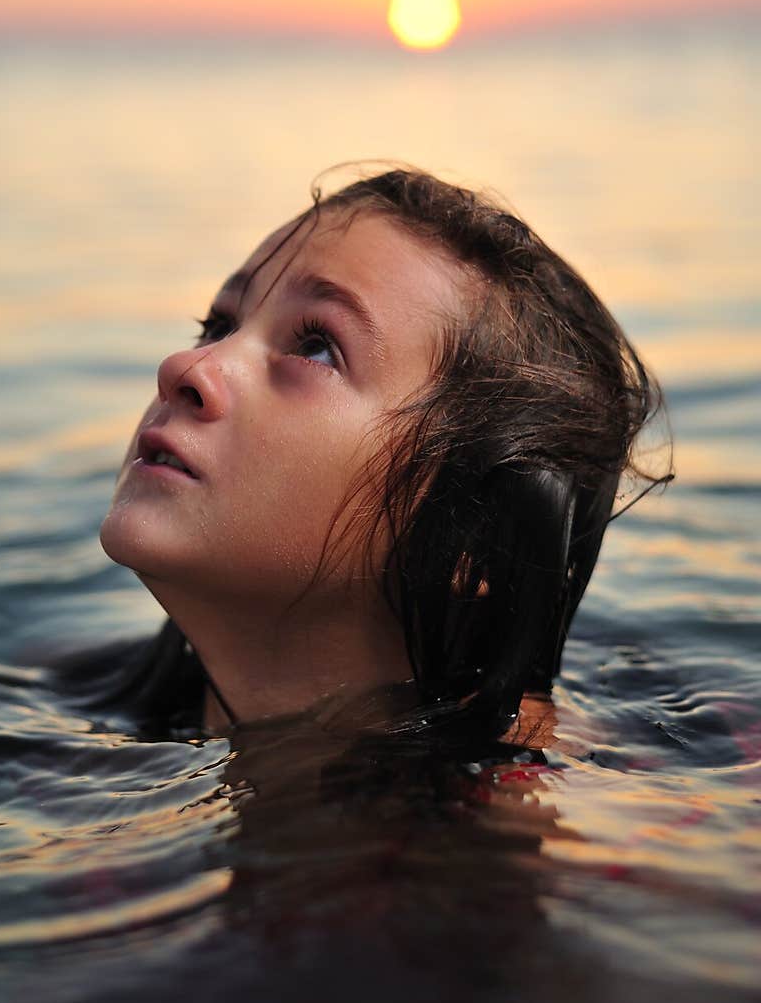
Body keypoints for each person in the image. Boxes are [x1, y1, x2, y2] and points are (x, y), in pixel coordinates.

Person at [81, 165, 673, 745]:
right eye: (218, 326)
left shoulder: (523, 827)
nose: (185, 368)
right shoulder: (70, 700)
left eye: (317, 348)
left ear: (473, 538)